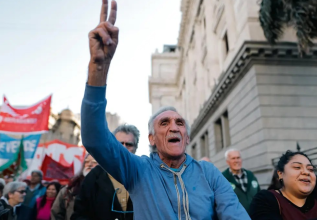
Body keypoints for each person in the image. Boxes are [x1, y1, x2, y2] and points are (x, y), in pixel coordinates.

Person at [80, 1, 249, 218]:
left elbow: (235, 213)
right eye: (164, 123)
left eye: (180, 123)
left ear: (187, 138)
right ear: (151, 139)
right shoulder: (138, 170)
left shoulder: (208, 173)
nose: (174, 127)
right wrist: (98, 68)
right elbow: (94, 138)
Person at [250, 150, 317, 220]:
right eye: (297, 167)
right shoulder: (265, 199)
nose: (306, 172)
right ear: (280, 174)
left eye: (310, 169)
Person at [71, 125, 138, 220]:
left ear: (136, 147)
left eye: (129, 144)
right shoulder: (94, 176)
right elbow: (79, 214)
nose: (123, 147)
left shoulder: (143, 176)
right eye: (119, 143)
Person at [51, 154, 97, 220]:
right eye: (86, 162)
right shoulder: (69, 190)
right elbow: (57, 213)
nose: (89, 165)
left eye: (94, 162)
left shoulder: (106, 189)